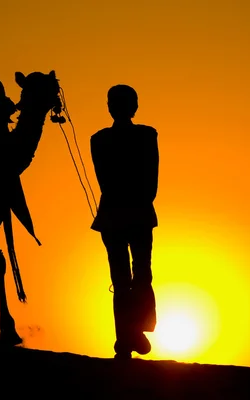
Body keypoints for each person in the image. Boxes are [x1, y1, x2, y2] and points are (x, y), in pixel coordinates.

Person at [90, 84, 159, 359]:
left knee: (122, 279)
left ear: (110, 107)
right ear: (135, 107)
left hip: (113, 215)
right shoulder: (146, 135)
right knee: (141, 273)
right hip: (138, 213)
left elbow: (104, 180)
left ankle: (126, 338)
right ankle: (133, 332)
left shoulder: (99, 140)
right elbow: (151, 179)